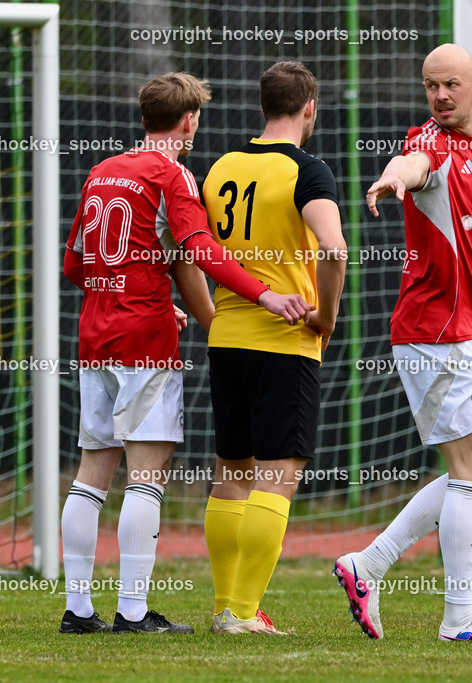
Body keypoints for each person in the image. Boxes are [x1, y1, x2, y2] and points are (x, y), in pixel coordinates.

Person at [60, 72, 311, 635]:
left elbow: (76, 264)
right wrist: (265, 293)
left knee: (90, 474)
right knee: (146, 475)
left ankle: (78, 611)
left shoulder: (103, 171)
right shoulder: (170, 173)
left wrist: (133, 291)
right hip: (143, 342)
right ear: (190, 120)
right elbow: (200, 250)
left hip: (95, 336)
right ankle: (132, 612)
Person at [333, 44, 472, 643]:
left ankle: (369, 565)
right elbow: (412, 163)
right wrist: (392, 179)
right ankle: (459, 619)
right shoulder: (431, 145)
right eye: (430, 86)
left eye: (450, 85)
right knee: (470, 472)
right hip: (434, 333)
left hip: (470, 330)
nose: (440, 96)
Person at [202, 61, 347, 636]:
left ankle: (224, 607)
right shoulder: (308, 171)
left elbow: (194, 250)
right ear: (309, 108)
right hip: (285, 340)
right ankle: (242, 612)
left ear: (262, 106)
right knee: (279, 474)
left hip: (227, 335)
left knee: (231, 472)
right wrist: (326, 318)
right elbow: (334, 251)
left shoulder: (219, 168)